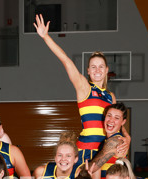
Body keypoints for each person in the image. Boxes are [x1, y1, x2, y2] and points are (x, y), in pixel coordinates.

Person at [34, 14, 115, 163]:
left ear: (106, 70)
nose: (97, 70)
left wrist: (125, 140)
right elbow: (66, 61)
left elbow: (116, 127)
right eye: (93, 67)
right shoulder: (84, 87)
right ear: (88, 71)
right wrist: (46, 37)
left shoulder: (111, 96)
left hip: (107, 151)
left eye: (101, 67)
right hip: (87, 150)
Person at [86, 102, 131, 179]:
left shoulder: (114, 141)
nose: (111, 120)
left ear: (123, 122)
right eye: (109, 116)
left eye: (116, 118)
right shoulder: (117, 138)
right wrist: (128, 136)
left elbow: (92, 168)